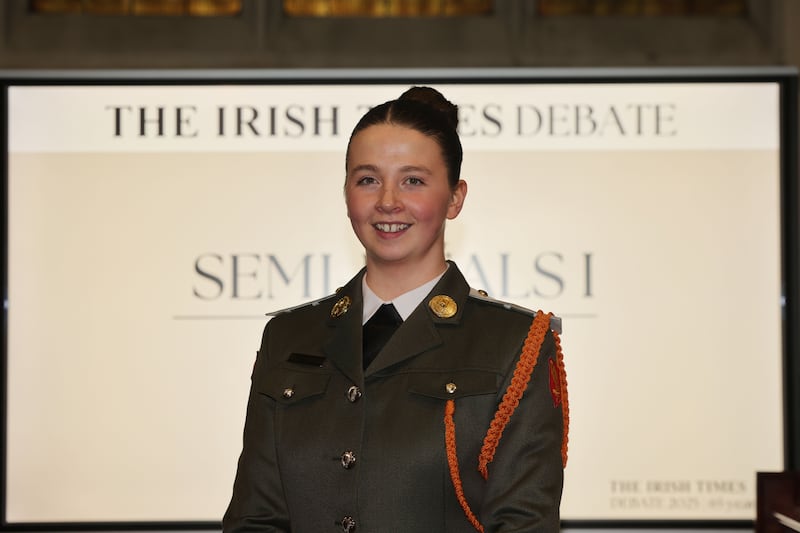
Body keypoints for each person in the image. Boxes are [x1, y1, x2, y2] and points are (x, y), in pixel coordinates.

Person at [223, 86, 568, 532]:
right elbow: (256, 518)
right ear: (346, 192)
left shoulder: (515, 344)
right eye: (368, 179)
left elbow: (523, 524)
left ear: (455, 197)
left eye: (413, 180)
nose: (388, 201)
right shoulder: (289, 337)